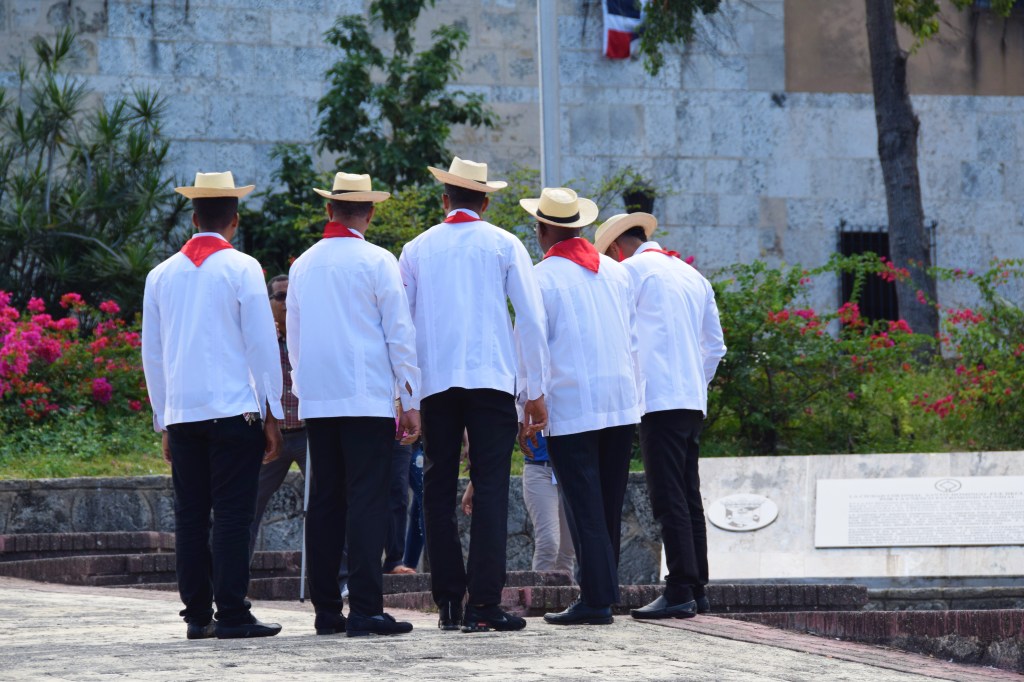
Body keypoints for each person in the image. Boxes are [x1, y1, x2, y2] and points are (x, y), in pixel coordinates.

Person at [399, 157, 550, 633]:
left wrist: (405, 395)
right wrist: (534, 390)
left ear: (445, 200)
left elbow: (402, 327)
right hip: (491, 381)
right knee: (489, 489)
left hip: (435, 384)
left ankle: (448, 602)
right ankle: (483, 604)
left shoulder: (416, 248)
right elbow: (530, 319)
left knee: (437, 489)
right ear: (485, 203)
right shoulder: (504, 244)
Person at [141, 171, 284, 640]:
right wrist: (273, 412)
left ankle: (198, 614)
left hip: (184, 414)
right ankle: (233, 612)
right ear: (234, 220)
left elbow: (153, 354)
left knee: (190, 515)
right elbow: (261, 345)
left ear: (193, 217)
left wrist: (164, 418)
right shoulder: (243, 268)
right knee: (232, 515)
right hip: (234, 410)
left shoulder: (160, 275)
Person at [287, 172, 421, 637]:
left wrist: (304, 390)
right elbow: (399, 334)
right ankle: (365, 607)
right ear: (371, 212)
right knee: (367, 500)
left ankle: (327, 609)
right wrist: (409, 397)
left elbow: (295, 340)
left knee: (325, 501)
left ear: (329, 209)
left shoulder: (303, 265)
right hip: (365, 397)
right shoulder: (378, 260)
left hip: (320, 399)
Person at [518, 188, 643, 626]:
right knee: (607, 504)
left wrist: (527, 403)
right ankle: (601, 593)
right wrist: (636, 397)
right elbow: (632, 339)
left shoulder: (539, 277)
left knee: (583, 504)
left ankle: (596, 599)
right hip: (620, 402)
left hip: (571, 404)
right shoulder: (616, 272)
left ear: (542, 229)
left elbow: (530, 345)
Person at [594, 212, 727, 619]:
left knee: (668, 496)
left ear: (616, 248)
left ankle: (681, 587)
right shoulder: (693, 276)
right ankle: (697, 587)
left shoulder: (628, 274)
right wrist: (693, 382)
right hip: (690, 399)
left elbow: (617, 336)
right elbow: (715, 346)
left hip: (657, 398)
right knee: (687, 495)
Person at [248, 274, 307, 561]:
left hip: (307, 433)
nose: (286, 303)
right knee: (248, 503)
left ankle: (339, 577)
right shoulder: (259, 339)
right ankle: (234, 574)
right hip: (270, 435)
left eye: (290, 296)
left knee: (329, 502)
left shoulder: (307, 335)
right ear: (269, 302)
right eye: (280, 297)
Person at [462, 432, 574, 574]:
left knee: (567, 550)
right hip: (539, 470)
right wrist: (472, 486)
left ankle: (566, 588)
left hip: (571, 469)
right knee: (548, 543)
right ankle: (540, 587)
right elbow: (500, 440)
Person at [402, 438, 426, 571]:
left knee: (420, 505)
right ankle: (437, 562)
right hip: (408, 443)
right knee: (425, 498)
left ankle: (409, 564)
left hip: (422, 445)